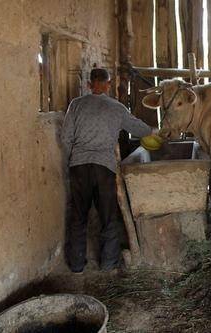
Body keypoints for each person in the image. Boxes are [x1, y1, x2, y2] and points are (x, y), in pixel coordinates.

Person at [61, 68, 153, 273]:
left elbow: (66, 138)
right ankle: (108, 263)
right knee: (108, 216)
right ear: (108, 84)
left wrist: (72, 160)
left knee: (78, 216)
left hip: (79, 166)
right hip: (104, 167)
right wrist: (155, 131)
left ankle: (76, 265)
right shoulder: (117, 108)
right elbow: (140, 129)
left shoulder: (76, 105)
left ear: (89, 84)